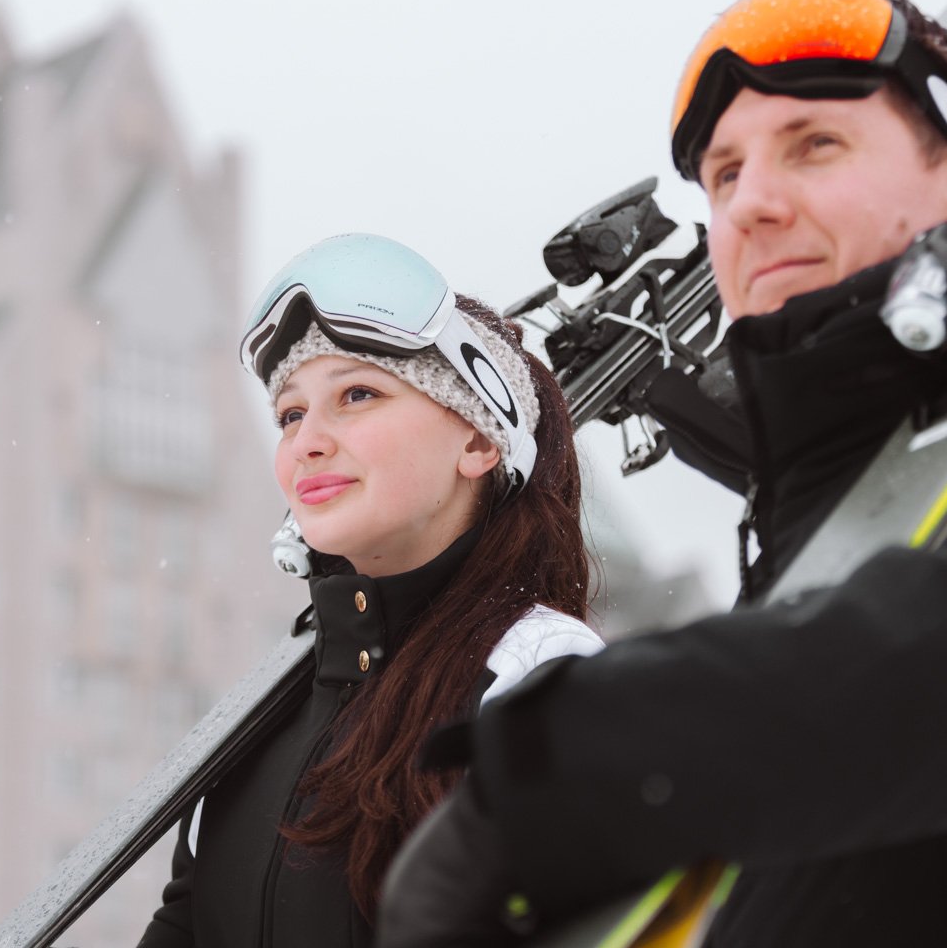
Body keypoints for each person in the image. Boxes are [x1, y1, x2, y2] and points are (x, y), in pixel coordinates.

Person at [377, 0, 947, 948]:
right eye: (726, 175)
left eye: (814, 146)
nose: (752, 205)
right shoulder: (806, 542)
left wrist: (570, 770)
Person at [128, 233, 604, 947]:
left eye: (357, 394)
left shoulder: (541, 681)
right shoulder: (260, 712)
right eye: (291, 414)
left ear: (478, 441)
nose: (307, 441)